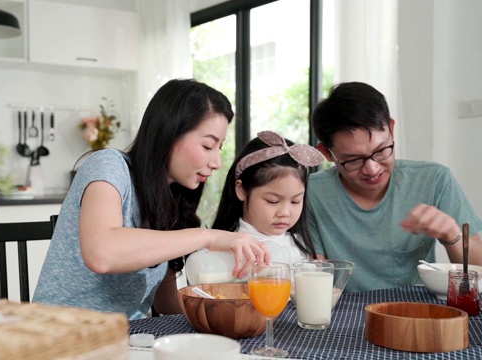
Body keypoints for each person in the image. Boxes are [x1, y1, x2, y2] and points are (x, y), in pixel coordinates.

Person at [32, 79, 269, 320]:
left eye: (220, 148)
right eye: (208, 146)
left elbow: (164, 302)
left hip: (127, 338)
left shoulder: (172, 199)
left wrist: (222, 311)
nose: (217, 162)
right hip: (59, 334)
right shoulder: (108, 165)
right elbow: (101, 253)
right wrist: (207, 237)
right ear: (169, 134)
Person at [307, 81, 482, 292]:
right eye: (353, 160)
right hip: (343, 312)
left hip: (413, 310)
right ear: (326, 153)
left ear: (391, 128)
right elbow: (312, 273)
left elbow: (478, 271)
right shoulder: (311, 193)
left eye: (381, 151)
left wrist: (452, 234)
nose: (372, 169)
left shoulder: (434, 180)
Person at [184, 131, 324, 285]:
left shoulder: (299, 245)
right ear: (242, 190)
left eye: (296, 201)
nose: (284, 213)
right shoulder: (221, 248)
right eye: (272, 201)